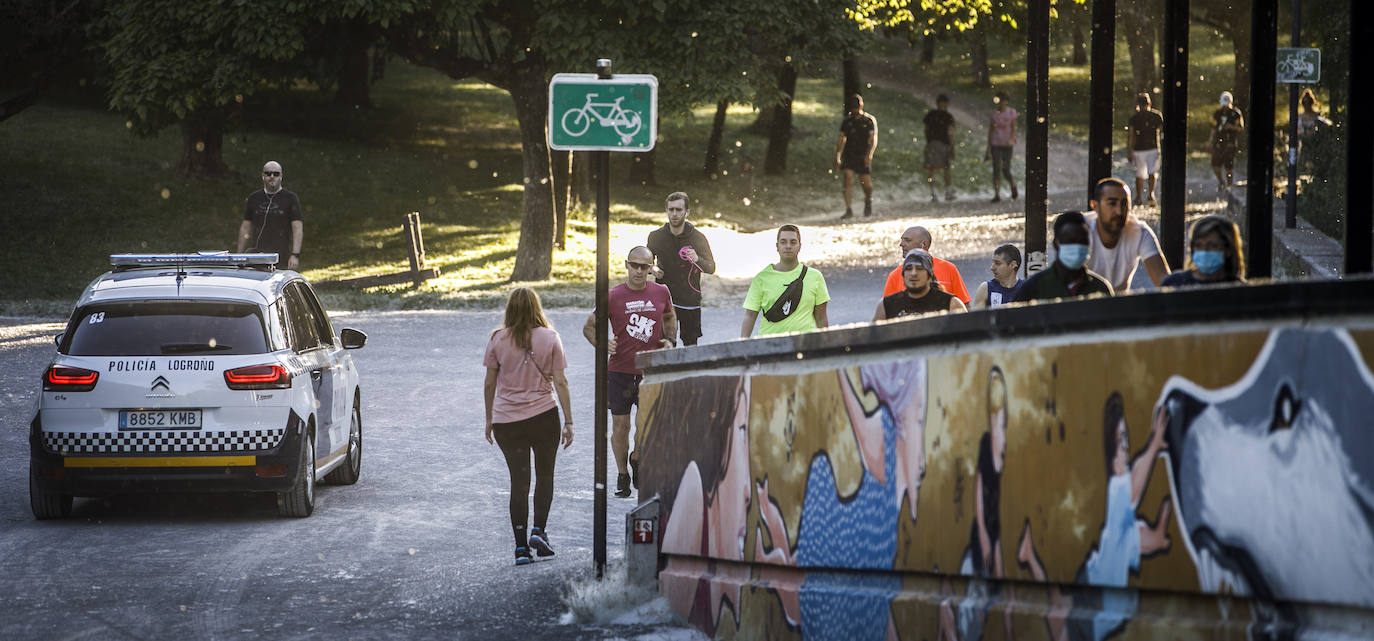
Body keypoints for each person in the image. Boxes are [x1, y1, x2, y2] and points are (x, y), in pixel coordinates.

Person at [1015, 394, 1173, 641]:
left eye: (1127, 441)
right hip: (1094, 598)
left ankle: (1029, 556)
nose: (1127, 449)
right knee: (1058, 617)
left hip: (1095, 597)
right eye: (1121, 442)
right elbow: (1135, 487)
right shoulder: (1118, 490)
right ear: (1112, 457)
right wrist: (1153, 445)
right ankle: (1029, 556)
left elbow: (1140, 540)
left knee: (1058, 616)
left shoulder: (1123, 523)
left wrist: (1159, 537)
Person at [482, 288, 575, 566]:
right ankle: (539, 531)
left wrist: (489, 419)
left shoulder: (498, 339)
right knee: (545, 476)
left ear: (510, 309)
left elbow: (489, 383)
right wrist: (569, 421)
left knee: (519, 484)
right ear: (537, 308)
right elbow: (561, 382)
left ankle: (521, 549)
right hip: (543, 416)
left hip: (507, 422)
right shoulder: (550, 338)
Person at [583, 246, 677, 499]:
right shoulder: (613, 296)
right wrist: (602, 343)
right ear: (626, 265)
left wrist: (670, 340)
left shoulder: (661, 291)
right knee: (620, 426)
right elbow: (590, 327)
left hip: (649, 371)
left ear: (651, 268)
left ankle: (637, 457)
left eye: (643, 267)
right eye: (633, 265)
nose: (638, 271)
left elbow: (669, 316)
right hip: (620, 371)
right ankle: (622, 474)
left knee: (645, 425)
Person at [648, 192, 716, 346]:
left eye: (679, 210)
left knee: (690, 345)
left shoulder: (697, 237)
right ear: (666, 210)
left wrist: (697, 259)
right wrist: (653, 268)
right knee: (664, 343)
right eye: (671, 209)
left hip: (689, 299)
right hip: (664, 298)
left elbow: (711, 268)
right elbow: (647, 262)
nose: (674, 214)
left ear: (687, 212)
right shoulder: (656, 236)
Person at [741, 225, 830, 337]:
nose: (788, 246)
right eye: (783, 242)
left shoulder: (815, 277)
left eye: (793, 242)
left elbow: (821, 317)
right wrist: (742, 344)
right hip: (770, 345)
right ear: (777, 246)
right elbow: (750, 316)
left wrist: (826, 343)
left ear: (799, 246)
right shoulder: (761, 278)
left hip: (806, 344)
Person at [1084, 177, 1169, 292]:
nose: (1119, 211)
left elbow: (1164, 283)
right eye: (1112, 203)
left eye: (1124, 204)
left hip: (1120, 306)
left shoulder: (1139, 231)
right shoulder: (1081, 229)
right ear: (1095, 206)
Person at [1011, 211, 1113, 303]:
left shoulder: (1100, 289)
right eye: (1071, 241)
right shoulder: (1032, 288)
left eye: (1083, 241)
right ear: (1056, 244)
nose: (1077, 247)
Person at [237, 160, 303, 270]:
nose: (272, 176)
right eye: (268, 173)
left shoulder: (291, 198)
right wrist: (239, 256)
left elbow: (298, 228)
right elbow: (245, 228)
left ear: (281, 176)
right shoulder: (254, 198)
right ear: (263, 176)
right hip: (256, 256)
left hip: (281, 257)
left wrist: (295, 255)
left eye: (276, 174)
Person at [881, 225, 971, 304]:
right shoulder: (894, 275)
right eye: (902, 240)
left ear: (924, 244)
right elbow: (887, 314)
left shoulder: (948, 268)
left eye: (907, 240)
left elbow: (965, 307)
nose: (901, 244)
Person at [873, 249, 967, 321]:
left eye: (919, 268)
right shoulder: (886, 305)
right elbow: (874, 342)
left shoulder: (951, 304)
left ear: (929, 275)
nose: (913, 273)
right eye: (909, 269)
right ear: (903, 274)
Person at [1160, 215, 1247, 287]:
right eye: (1198, 245)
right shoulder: (1173, 284)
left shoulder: (1240, 289)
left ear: (1228, 250)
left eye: (1212, 246)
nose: (1204, 251)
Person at [835, 93, 878, 219]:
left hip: (863, 154)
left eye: (855, 107)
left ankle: (868, 200)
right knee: (848, 179)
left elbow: (873, 139)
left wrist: (869, 154)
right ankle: (848, 209)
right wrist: (838, 155)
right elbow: (841, 139)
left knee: (866, 185)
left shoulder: (869, 120)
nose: (854, 110)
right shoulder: (847, 121)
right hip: (849, 154)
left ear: (861, 105)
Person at [1126, 93, 1164, 207]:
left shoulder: (1134, 118)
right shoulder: (1156, 116)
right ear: (1149, 103)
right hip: (1153, 147)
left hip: (1139, 149)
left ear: (1138, 105)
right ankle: (1151, 194)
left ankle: (1138, 197)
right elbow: (1162, 132)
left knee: (1140, 174)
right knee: (1152, 172)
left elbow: (1131, 136)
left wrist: (1129, 150)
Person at [985, 91, 1018, 203]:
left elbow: (1013, 128)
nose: (1001, 104)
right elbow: (991, 131)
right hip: (996, 144)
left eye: (1003, 101)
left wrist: (1011, 139)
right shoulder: (994, 115)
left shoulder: (1011, 113)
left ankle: (1012, 185)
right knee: (996, 169)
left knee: (1006, 169)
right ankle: (996, 194)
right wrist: (988, 148)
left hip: (1007, 144)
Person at [924, 94, 957, 202]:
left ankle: (933, 193)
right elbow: (950, 133)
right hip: (944, 144)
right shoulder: (948, 117)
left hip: (931, 144)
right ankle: (948, 192)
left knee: (932, 169)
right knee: (946, 169)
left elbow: (926, 129)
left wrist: (929, 142)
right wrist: (952, 147)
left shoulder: (931, 115)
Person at [1211, 91, 1245, 193]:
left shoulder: (1236, 114)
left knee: (1228, 166)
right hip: (1218, 143)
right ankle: (1221, 182)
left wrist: (1231, 127)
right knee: (1215, 164)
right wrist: (1210, 141)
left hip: (1230, 143)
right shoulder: (1217, 113)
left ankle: (1229, 186)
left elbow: (1240, 128)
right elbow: (1213, 127)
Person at [971, 244, 1023, 310]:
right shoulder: (986, 288)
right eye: (992, 263)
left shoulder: (1025, 289)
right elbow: (976, 319)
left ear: (1012, 265)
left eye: (997, 263)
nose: (992, 268)